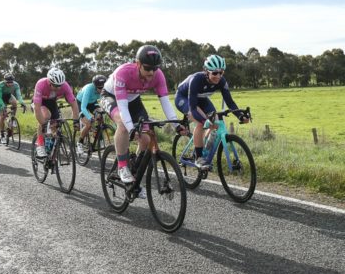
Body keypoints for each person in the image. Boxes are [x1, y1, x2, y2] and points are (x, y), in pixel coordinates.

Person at [100, 45, 186, 184]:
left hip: (133, 99)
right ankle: (122, 167)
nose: (151, 72)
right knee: (122, 124)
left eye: (155, 68)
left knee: (146, 138)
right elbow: (122, 107)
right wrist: (130, 128)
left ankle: (134, 172)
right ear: (138, 64)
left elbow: (165, 103)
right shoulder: (123, 72)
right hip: (112, 97)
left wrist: (177, 125)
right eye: (147, 68)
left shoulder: (158, 76)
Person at [174, 54, 249, 168]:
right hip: (184, 99)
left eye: (221, 72)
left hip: (202, 99)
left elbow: (230, 102)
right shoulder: (196, 79)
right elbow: (193, 107)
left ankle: (203, 150)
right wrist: (205, 121)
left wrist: (240, 116)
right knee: (201, 123)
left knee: (216, 121)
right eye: (214, 73)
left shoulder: (222, 82)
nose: (218, 76)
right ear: (206, 72)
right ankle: (199, 158)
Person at [32, 67, 80, 158]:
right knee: (46, 116)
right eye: (55, 86)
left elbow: (74, 104)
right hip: (40, 102)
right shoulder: (41, 84)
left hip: (52, 102)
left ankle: (51, 149)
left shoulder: (65, 86)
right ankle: (40, 145)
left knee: (56, 125)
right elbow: (37, 109)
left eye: (60, 85)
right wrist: (43, 125)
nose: (58, 88)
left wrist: (76, 121)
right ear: (49, 82)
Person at [75, 74, 107, 155]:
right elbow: (83, 107)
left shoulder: (103, 89)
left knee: (100, 115)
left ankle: (98, 136)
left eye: (103, 87)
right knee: (88, 124)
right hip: (81, 102)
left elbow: (105, 101)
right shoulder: (89, 89)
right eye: (99, 88)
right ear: (95, 86)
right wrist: (90, 117)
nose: (102, 89)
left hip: (92, 102)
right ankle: (80, 143)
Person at [0, 73, 26, 143]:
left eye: (11, 82)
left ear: (13, 81)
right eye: (8, 82)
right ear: (4, 81)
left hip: (8, 96)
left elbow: (19, 95)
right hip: (0, 98)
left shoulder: (16, 85)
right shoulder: (0, 85)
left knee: (15, 102)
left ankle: (12, 118)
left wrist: (22, 102)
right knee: (2, 116)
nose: (9, 84)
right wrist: (3, 105)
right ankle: (2, 135)